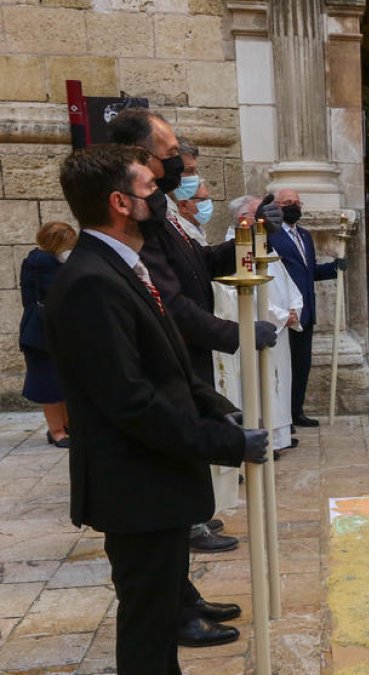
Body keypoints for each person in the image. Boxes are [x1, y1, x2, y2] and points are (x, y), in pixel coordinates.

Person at [45, 144, 269, 673]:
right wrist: (227, 444)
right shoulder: (91, 283)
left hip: (154, 481)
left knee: (160, 613)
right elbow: (132, 400)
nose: (163, 197)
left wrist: (218, 409)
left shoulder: (123, 265)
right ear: (120, 202)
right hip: (134, 486)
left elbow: (168, 361)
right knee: (147, 625)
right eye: (150, 189)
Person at [109, 108, 279, 557]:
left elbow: (196, 266)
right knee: (178, 452)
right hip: (171, 353)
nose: (182, 165)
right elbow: (171, 300)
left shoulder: (160, 210)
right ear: (143, 158)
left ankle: (191, 533)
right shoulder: (140, 221)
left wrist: (255, 230)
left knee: (192, 449)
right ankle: (187, 531)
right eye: (172, 156)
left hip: (186, 353)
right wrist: (237, 334)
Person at [217, 196, 303, 459]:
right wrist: (278, 316)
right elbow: (244, 292)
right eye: (260, 213)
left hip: (281, 325)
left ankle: (280, 435)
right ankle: (264, 437)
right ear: (245, 218)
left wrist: (294, 309)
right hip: (261, 327)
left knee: (279, 381)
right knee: (260, 383)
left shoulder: (264, 243)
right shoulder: (236, 248)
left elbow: (285, 281)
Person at [268, 188, 345, 428]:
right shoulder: (271, 236)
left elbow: (308, 272)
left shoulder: (304, 235)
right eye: (287, 202)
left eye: (297, 203)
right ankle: (284, 418)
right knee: (285, 365)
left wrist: (334, 268)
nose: (294, 206)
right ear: (277, 207)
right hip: (286, 312)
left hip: (307, 311)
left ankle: (296, 411)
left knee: (302, 365)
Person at [19, 221, 78, 448]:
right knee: (49, 385)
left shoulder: (44, 260)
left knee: (60, 383)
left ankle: (65, 426)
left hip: (48, 331)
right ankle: (56, 431)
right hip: (42, 334)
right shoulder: (42, 263)